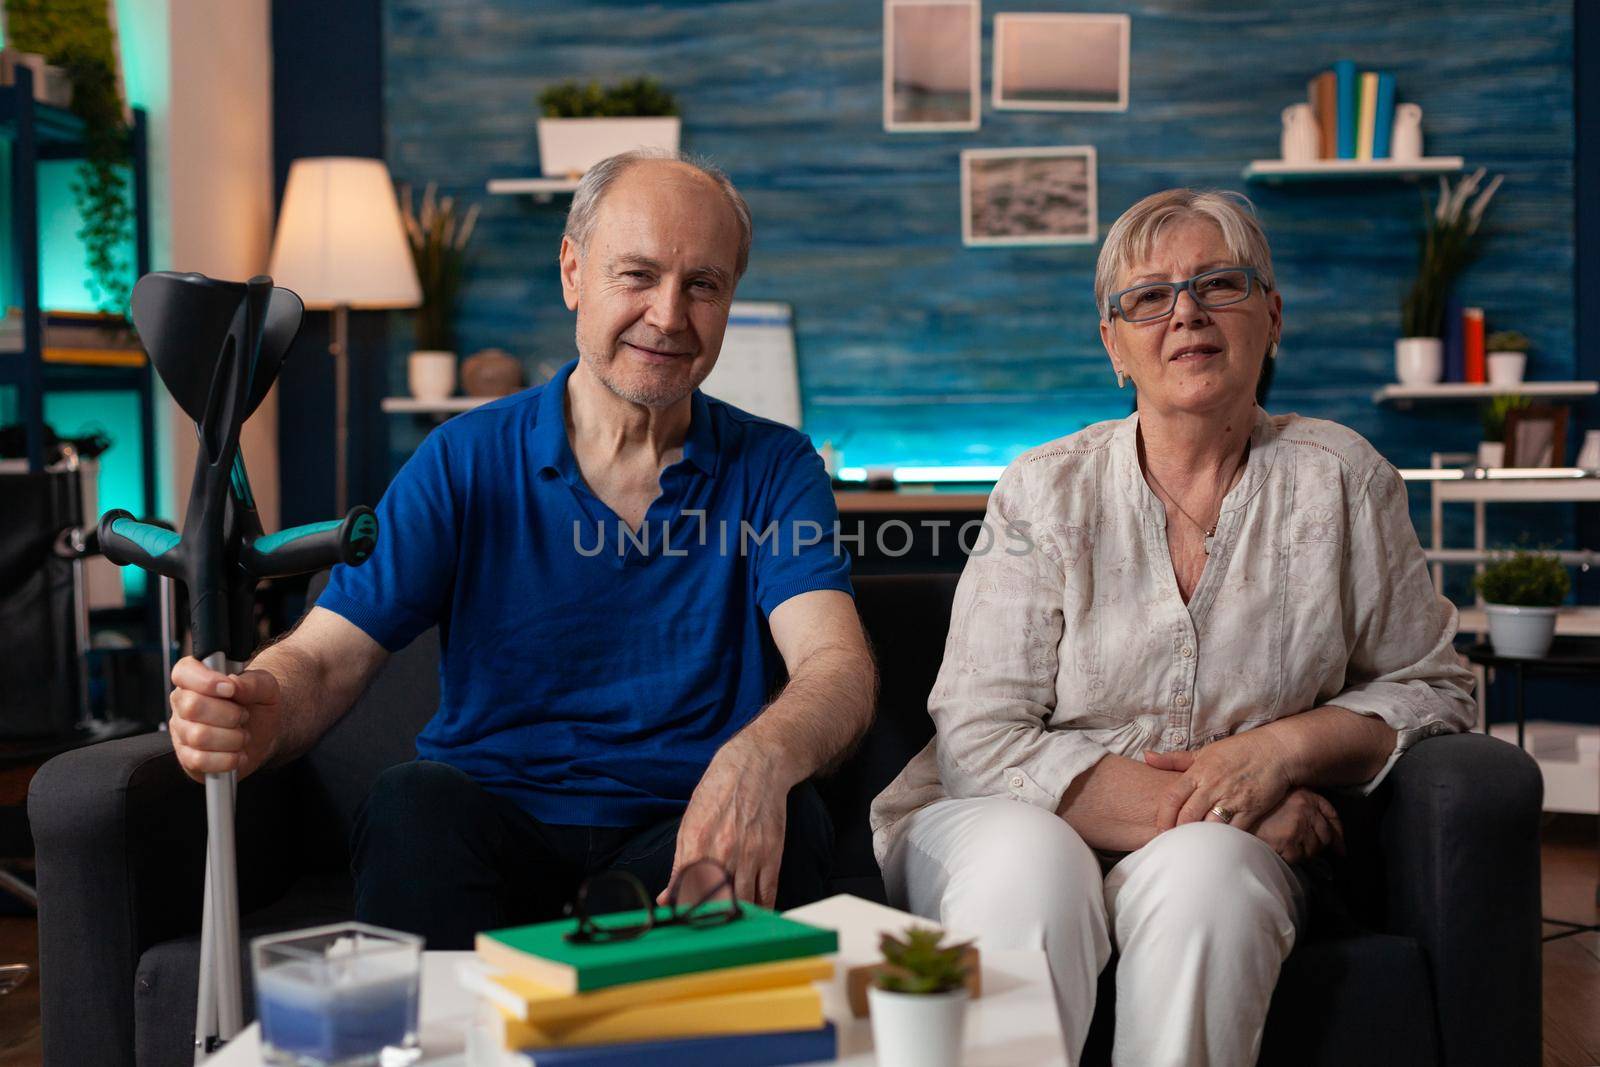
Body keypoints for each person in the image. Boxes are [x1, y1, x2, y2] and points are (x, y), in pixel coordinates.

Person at [165, 149, 877, 947]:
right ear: (574, 271)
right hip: (486, 838)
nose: (670, 316)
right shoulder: (462, 458)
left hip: (677, 841)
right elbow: (328, 657)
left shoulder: (777, 469)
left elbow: (836, 666)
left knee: (797, 816)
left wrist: (759, 760)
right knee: (411, 802)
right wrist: (262, 703)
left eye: (702, 285)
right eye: (636, 275)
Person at [871, 188, 1475, 1067]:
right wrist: (1223, 808)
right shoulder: (1041, 489)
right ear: (1114, 345)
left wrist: (1281, 752)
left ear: (1272, 316)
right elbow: (978, 738)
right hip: (1002, 814)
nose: (1185, 312)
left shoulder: (1345, 479)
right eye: (1148, 297)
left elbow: (1432, 685)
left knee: (1210, 884)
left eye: (1218, 284)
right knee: (1031, 870)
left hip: (1225, 844)